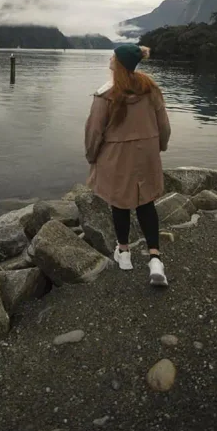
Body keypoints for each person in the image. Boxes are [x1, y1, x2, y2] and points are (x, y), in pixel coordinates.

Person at [84, 43, 171, 285]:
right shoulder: (151, 90)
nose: (110, 58)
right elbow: (164, 126)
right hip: (146, 155)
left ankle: (124, 253)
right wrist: (160, 147)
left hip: (117, 157)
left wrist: (91, 156)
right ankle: (155, 260)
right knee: (146, 203)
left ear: (119, 63)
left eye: (113, 56)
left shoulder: (106, 94)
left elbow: (94, 132)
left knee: (120, 203)